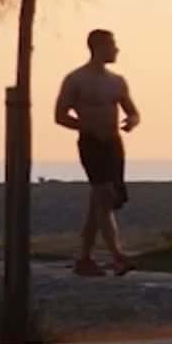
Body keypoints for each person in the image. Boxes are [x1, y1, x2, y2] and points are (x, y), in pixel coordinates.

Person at [54, 27, 141, 277]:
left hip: (113, 143)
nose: (116, 50)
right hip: (91, 142)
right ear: (98, 47)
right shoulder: (76, 79)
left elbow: (133, 111)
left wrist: (131, 121)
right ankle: (118, 256)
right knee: (104, 197)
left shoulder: (117, 82)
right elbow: (60, 115)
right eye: (112, 45)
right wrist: (85, 125)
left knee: (100, 202)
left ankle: (84, 258)